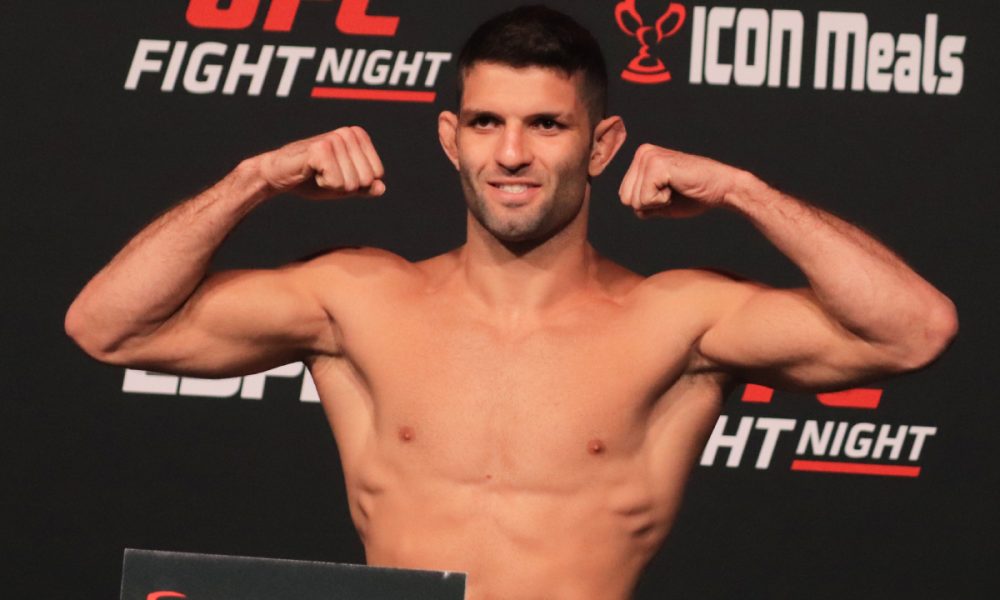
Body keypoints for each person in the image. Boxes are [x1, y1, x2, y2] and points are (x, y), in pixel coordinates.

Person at [65, 6, 957, 600]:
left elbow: (913, 331)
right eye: (486, 122)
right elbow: (107, 328)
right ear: (450, 137)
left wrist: (745, 192)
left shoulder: (675, 321)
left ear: (601, 144)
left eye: (547, 124)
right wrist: (251, 180)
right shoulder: (358, 299)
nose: (512, 154)